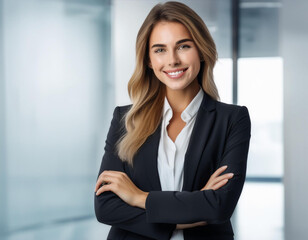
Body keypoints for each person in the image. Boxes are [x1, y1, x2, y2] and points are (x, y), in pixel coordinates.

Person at [94, 1, 251, 240]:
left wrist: (139, 198)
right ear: (148, 60)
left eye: (183, 46)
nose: (173, 60)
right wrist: (193, 210)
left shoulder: (232, 119)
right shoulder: (125, 120)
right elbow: (106, 207)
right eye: (160, 50)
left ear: (201, 49)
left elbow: (219, 206)